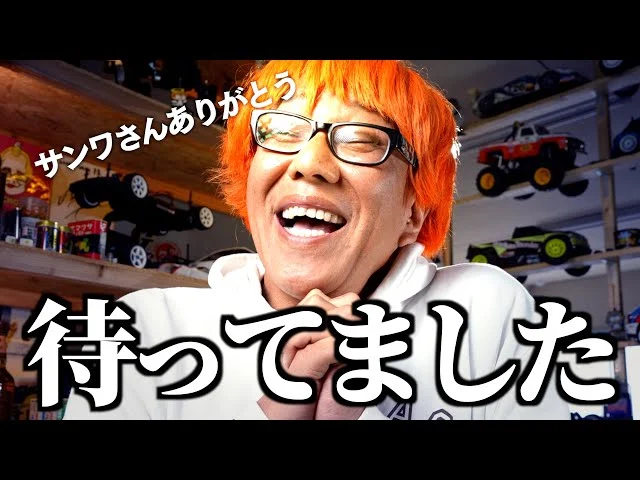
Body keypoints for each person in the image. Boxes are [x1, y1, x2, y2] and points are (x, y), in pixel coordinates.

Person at [63, 60, 571, 420]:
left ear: (413, 213)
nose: (309, 163)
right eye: (281, 132)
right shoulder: (143, 331)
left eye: (362, 140)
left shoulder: (483, 311)